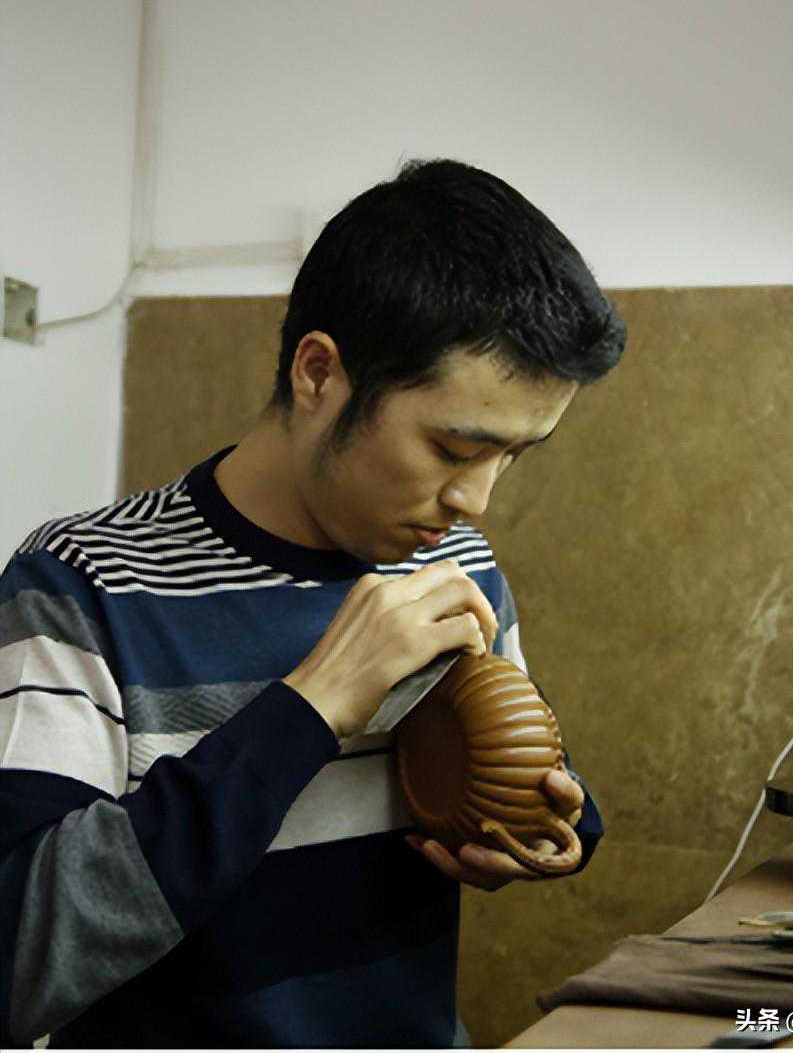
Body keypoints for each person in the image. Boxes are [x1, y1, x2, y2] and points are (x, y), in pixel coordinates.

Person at [0, 158, 626, 1048]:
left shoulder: (455, 566)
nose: (476, 500)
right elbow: (23, 958)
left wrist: (547, 824)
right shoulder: (79, 584)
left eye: (513, 456)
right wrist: (311, 707)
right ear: (319, 372)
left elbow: (514, 771)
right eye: (453, 450)